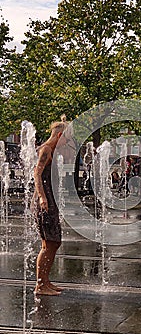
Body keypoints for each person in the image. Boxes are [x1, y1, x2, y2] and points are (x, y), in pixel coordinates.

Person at [32, 120, 68, 296]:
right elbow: (36, 174)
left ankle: (46, 281)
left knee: (54, 242)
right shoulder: (46, 150)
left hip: (50, 199)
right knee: (48, 243)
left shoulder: (53, 151)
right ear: (60, 136)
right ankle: (40, 285)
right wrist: (41, 197)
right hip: (44, 200)